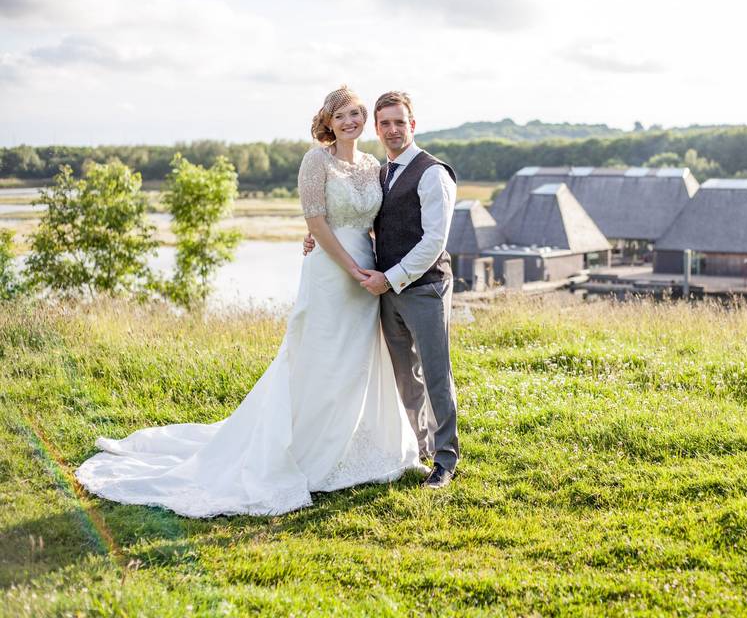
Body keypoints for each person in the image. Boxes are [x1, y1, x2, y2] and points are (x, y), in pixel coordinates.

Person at [75, 86, 427, 518]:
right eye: (341, 116)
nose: (350, 121)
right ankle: (304, 449)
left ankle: (347, 444)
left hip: (367, 273)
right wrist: (348, 266)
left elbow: (370, 220)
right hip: (331, 275)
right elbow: (315, 219)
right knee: (317, 356)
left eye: (356, 113)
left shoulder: (373, 165)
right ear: (329, 123)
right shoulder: (315, 160)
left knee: (355, 360)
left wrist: (371, 266)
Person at [304, 91, 459, 488]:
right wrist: (313, 236)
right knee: (404, 375)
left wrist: (389, 278)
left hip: (422, 288)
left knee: (436, 374)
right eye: (384, 123)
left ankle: (445, 460)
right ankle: (417, 449)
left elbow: (434, 241)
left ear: (413, 124)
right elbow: (356, 216)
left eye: (399, 122)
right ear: (377, 127)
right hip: (381, 289)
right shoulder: (381, 170)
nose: (392, 129)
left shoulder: (433, 172)